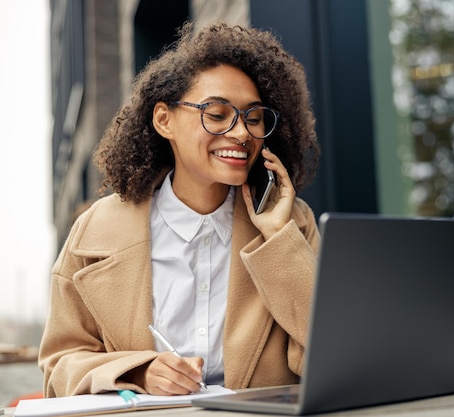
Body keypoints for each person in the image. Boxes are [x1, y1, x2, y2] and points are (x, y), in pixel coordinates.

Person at [38, 21, 321, 398]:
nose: (240, 133)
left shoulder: (292, 223)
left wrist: (278, 239)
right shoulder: (94, 231)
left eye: (253, 118)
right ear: (163, 120)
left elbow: (332, 351)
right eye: (217, 114)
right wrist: (137, 373)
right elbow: (59, 366)